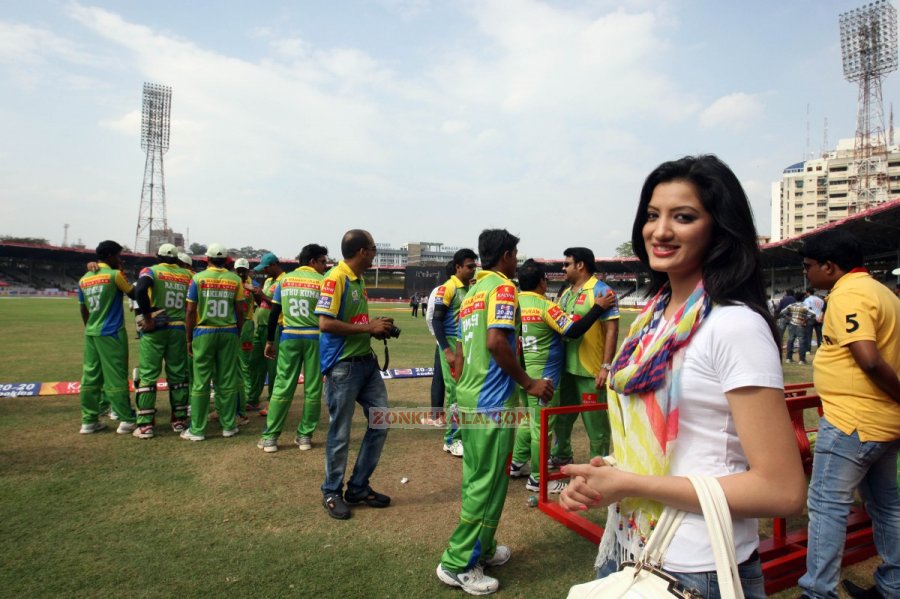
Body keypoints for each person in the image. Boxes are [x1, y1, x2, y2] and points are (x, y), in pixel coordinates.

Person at [560, 155, 806, 599]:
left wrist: (632, 483)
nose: (660, 230)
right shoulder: (651, 321)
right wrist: (609, 474)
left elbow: (783, 490)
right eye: (652, 216)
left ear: (719, 229)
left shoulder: (734, 326)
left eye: (684, 217)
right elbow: (668, 451)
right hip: (632, 547)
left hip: (698, 570)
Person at [436, 229, 554, 596]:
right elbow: (496, 342)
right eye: (515, 254)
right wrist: (529, 383)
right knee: (486, 484)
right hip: (491, 403)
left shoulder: (472, 292)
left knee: (480, 478)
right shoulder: (502, 288)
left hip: (471, 399)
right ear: (505, 255)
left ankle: (482, 548)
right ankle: (457, 563)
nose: (517, 261)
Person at [797, 230, 900, 599]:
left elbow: (869, 359)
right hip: (882, 422)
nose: (807, 274)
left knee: (826, 507)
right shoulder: (881, 292)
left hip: (852, 422)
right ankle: (894, 586)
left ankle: (818, 592)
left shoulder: (848, 295)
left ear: (829, 266)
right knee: (888, 507)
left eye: (809, 267)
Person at [509, 259, 614, 494]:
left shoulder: (516, 302)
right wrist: (598, 307)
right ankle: (538, 479)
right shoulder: (545, 306)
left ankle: (516, 464)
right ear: (542, 283)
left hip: (522, 374)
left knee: (529, 421)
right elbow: (574, 330)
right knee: (542, 429)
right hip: (544, 380)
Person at [316, 229, 396, 520]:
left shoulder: (357, 279)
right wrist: (367, 328)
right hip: (343, 365)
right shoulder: (335, 278)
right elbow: (325, 323)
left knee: (382, 420)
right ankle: (331, 491)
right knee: (340, 432)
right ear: (362, 251)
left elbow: (354, 321)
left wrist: (375, 326)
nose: (376, 253)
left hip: (365, 363)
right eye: (374, 248)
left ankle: (358, 487)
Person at [550, 246, 619, 467]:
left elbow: (611, 330)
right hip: (565, 369)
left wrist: (605, 366)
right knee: (562, 418)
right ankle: (561, 454)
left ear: (580, 265)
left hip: (590, 370)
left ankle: (598, 467)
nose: (563, 268)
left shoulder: (602, 291)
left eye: (567, 264)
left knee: (595, 424)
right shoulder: (566, 293)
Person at [257, 244, 328, 453]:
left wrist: (270, 341)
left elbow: (274, 312)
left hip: (289, 335)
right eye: (323, 261)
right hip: (315, 337)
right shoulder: (323, 282)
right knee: (313, 388)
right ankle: (304, 437)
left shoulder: (285, 280)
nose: (325, 266)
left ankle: (270, 438)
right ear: (312, 261)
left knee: (282, 386)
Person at [181, 243, 246, 441]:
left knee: (201, 382)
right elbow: (241, 310)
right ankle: (228, 426)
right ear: (226, 260)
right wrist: (237, 331)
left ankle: (197, 430)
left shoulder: (198, 278)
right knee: (226, 380)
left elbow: (191, 311)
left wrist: (189, 339)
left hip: (204, 331)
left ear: (207, 259)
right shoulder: (235, 279)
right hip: (229, 331)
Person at [132, 243, 193, 438]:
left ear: (157, 257)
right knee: (178, 376)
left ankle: (145, 425)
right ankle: (179, 421)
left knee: (149, 374)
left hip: (156, 328)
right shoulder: (188, 275)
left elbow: (140, 290)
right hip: (179, 328)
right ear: (176, 259)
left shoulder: (151, 271)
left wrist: (148, 317)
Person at [76, 240, 138, 434]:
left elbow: (83, 308)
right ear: (111, 256)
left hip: (92, 332)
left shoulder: (84, 279)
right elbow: (134, 293)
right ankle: (126, 419)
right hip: (111, 332)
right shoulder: (114, 275)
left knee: (90, 377)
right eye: (118, 256)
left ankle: (88, 420)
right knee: (116, 376)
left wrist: (90, 327)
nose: (120, 260)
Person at [429, 248, 478, 458]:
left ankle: (461, 435)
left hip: (465, 344)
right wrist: (446, 350)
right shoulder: (447, 288)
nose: (473, 270)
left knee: (465, 390)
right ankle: (451, 439)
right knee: (455, 392)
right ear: (457, 267)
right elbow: (436, 320)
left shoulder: (470, 289)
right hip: (451, 343)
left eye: (474, 266)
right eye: (469, 267)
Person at [247, 253, 285, 412]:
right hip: (261, 326)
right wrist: (257, 295)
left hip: (276, 326)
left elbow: (280, 305)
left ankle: (273, 401)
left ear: (273, 265)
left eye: (266, 268)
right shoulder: (269, 281)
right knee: (255, 364)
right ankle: (252, 399)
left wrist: (262, 294)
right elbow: (262, 302)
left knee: (273, 366)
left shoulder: (285, 280)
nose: (265, 272)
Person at [780, 290, 814, 364]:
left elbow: (782, 312)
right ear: (802, 298)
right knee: (801, 341)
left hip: (792, 324)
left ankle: (788, 358)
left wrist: (788, 318)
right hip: (800, 325)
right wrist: (805, 320)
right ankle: (801, 360)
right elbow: (813, 314)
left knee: (790, 340)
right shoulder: (805, 306)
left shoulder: (791, 306)